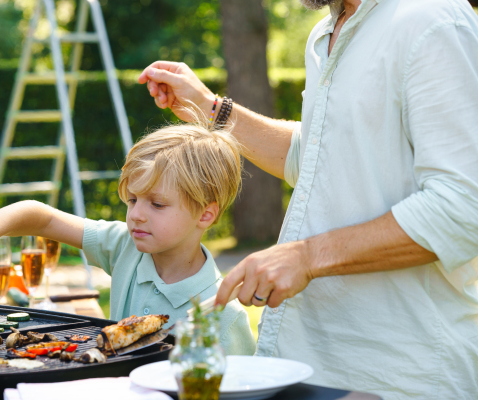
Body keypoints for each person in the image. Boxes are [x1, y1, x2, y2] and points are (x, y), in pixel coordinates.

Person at [137, 0, 478, 398]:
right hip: (311, 365)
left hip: (399, 375)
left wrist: (308, 256)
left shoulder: (432, 22)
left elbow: (462, 209)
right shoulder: (326, 33)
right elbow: (318, 159)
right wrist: (210, 108)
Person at [0, 113, 256, 356]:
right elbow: (43, 219)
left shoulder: (223, 317)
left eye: (157, 204)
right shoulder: (126, 246)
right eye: (132, 199)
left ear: (206, 213)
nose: (137, 214)